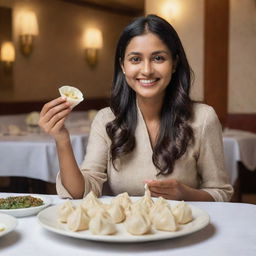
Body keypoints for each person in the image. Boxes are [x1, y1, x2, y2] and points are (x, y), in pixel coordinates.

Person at [39, 14, 233, 201]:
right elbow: (80, 192)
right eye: (135, 59)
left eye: (158, 58)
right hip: (124, 232)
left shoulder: (203, 118)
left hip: (184, 229)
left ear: (174, 64)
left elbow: (220, 192)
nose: (147, 70)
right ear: (123, 66)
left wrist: (185, 194)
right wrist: (62, 139)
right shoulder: (106, 119)